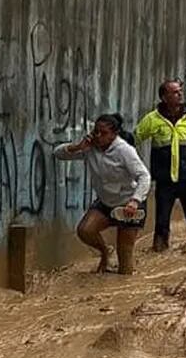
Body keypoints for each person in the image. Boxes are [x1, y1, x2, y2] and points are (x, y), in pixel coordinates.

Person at [54, 114, 150, 275]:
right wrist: (78, 147)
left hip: (129, 205)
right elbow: (58, 154)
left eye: (103, 133)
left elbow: (144, 176)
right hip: (105, 203)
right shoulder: (89, 148)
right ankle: (105, 253)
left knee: (125, 268)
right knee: (85, 230)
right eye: (96, 132)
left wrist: (135, 200)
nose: (98, 136)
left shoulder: (125, 151)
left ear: (114, 134)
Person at [135, 79, 186, 252]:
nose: (180, 94)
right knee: (161, 219)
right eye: (175, 92)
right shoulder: (152, 120)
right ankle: (159, 248)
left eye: (180, 91)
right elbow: (134, 139)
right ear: (164, 97)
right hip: (165, 180)